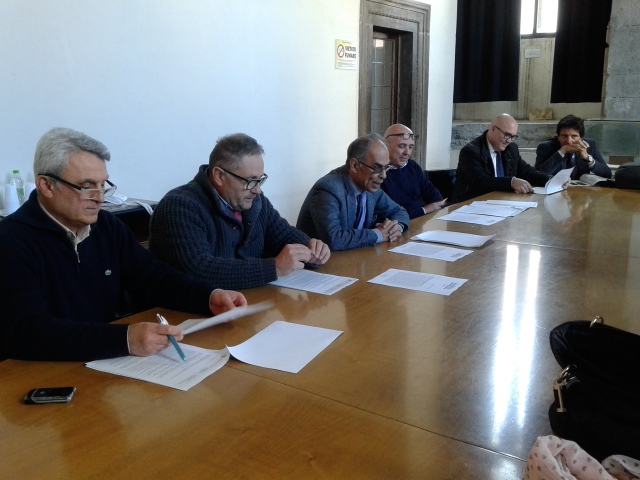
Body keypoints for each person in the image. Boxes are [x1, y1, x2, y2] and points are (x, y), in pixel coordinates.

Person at [0, 128, 247, 362]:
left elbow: (153, 279)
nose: (99, 198)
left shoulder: (107, 226)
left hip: (103, 363)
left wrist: (208, 297)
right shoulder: (11, 240)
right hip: (38, 372)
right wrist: (125, 339)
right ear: (46, 186)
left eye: (103, 185)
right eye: (87, 187)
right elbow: (26, 331)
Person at [149, 133, 330, 290]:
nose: (257, 190)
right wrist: (273, 268)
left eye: (260, 180)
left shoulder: (255, 201)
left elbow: (284, 236)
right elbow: (198, 270)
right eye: (250, 181)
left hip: (249, 302)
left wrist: (312, 249)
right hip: (187, 313)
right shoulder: (179, 207)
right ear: (219, 176)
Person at [296, 133, 409, 251]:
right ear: (354, 165)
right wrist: (378, 234)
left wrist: (397, 227)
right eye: (377, 168)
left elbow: (399, 211)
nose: (383, 175)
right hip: (321, 260)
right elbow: (333, 240)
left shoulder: (370, 187)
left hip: (356, 256)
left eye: (386, 167)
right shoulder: (328, 189)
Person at [452, 114, 551, 203]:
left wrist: (550, 180)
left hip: (502, 201)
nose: (509, 141)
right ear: (493, 129)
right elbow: (482, 181)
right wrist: (511, 182)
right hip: (471, 203)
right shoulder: (471, 151)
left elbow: (526, 171)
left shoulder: (511, 148)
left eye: (513, 137)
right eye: (507, 135)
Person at [381, 123, 445, 219]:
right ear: (385, 145)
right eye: (402, 146)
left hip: (421, 221)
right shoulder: (378, 173)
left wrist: (428, 209)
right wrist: (424, 210)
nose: (407, 152)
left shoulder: (412, 166)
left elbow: (435, 197)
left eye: (410, 147)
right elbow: (388, 214)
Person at [535, 115, 612, 180]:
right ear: (558, 137)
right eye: (564, 136)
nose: (569, 141)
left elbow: (607, 174)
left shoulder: (590, 145)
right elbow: (538, 175)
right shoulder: (545, 147)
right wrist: (562, 151)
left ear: (581, 138)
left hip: (580, 191)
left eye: (574, 136)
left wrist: (587, 158)